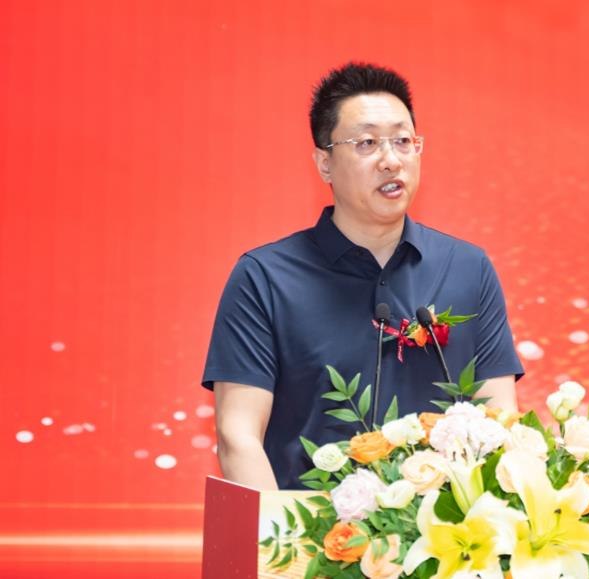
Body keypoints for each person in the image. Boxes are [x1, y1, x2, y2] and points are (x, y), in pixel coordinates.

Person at [201, 63, 523, 490]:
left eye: (403, 141)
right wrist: (278, 529)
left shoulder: (467, 268)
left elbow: (500, 421)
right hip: (310, 528)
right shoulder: (265, 278)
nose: (391, 160)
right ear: (325, 163)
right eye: (367, 143)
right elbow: (238, 438)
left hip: (444, 529)